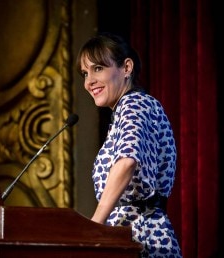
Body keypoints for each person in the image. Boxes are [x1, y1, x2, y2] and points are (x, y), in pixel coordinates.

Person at [76, 32, 182, 257]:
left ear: (126, 68)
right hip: (128, 235)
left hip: (140, 237)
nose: (88, 82)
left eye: (98, 69)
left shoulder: (134, 104)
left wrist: (95, 224)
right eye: (85, 73)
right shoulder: (131, 108)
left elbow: (126, 162)